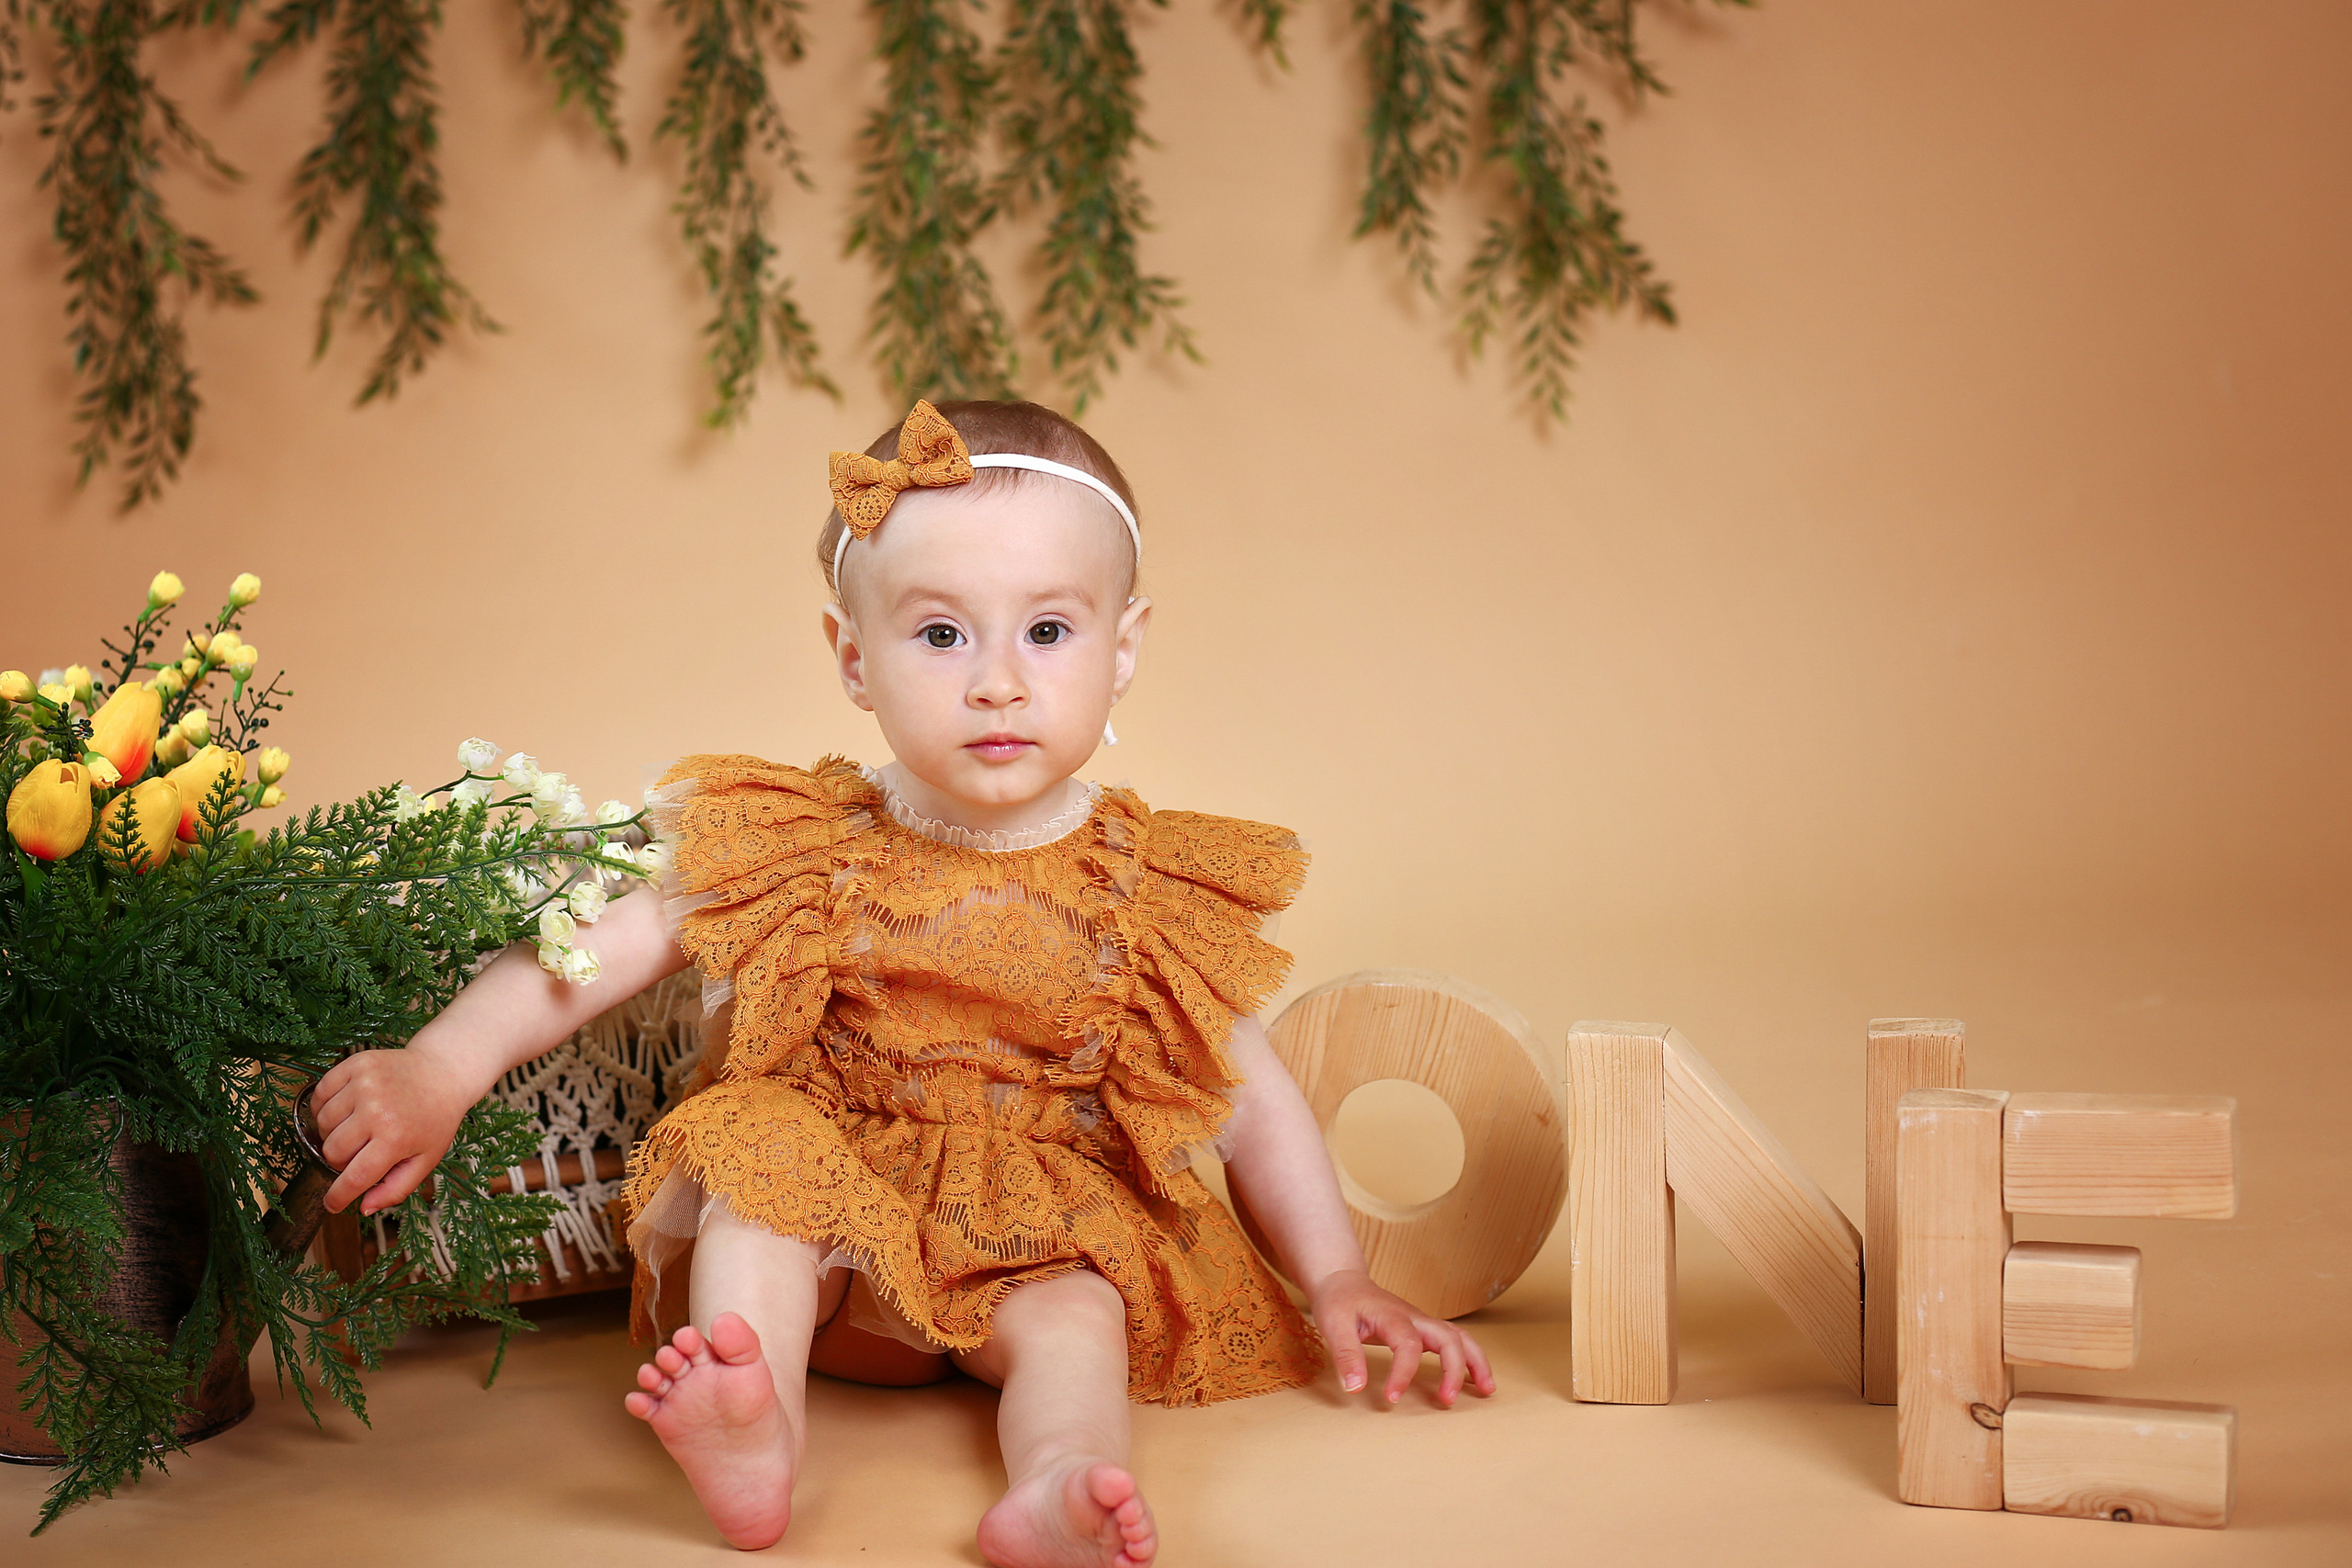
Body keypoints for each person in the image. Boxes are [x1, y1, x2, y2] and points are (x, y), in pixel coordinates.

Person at [311, 400, 1492, 1567]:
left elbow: (1248, 1091)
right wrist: (442, 1065)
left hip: (1026, 1235)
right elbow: (590, 955)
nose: (995, 683)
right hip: (841, 1254)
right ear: (852, 659)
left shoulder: (1143, 884)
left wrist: (1335, 1274)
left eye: (1046, 633)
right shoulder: (806, 842)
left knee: (1079, 1312)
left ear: (1121, 651)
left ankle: (1055, 1479)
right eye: (940, 636)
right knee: (757, 1176)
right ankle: (755, 1416)